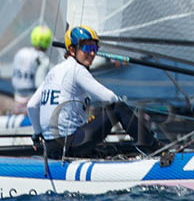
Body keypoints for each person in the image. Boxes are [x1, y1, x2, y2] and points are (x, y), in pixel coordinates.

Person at [27, 26, 155, 157]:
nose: (92, 53)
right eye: (87, 48)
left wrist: (37, 135)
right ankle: (154, 148)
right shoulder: (77, 69)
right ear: (71, 50)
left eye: (94, 49)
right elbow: (110, 98)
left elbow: (31, 105)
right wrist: (128, 114)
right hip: (70, 144)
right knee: (118, 108)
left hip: (50, 147)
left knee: (105, 142)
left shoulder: (53, 71)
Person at [11, 24, 52, 113]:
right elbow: (40, 84)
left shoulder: (21, 52)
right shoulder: (43, 59)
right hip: (31, 100)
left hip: (17, 98)